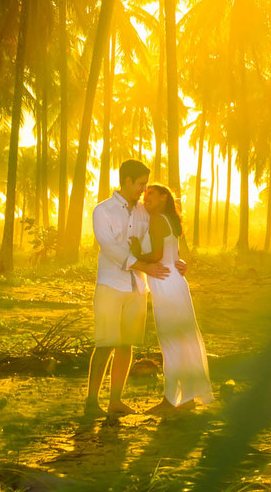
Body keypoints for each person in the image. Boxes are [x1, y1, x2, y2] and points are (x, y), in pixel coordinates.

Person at [83, 160, 186, 418]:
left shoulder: (144, 212)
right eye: (141, 183)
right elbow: (109, 246)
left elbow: (158, 241)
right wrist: (139, 263)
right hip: (110, 285)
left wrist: (174, 260)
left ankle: (115, 400)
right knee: (105, 343)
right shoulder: (102, 211)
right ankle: (92, 401)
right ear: (127, 181)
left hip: (138, 287)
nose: (143, 189)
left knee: (126, 345)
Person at [129, 184, 213, 414]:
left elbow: (157, 256)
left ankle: (170, 401)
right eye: (146, 196)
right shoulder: (168, 220)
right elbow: (173, 256)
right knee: (181, 340)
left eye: (152, 195)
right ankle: (185, 399)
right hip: (173, 282)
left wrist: (136, 253)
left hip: (166, 282)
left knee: (170, 341)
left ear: (165, 197)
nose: (147, 199)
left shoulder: (158, 219)